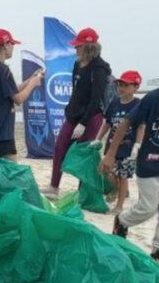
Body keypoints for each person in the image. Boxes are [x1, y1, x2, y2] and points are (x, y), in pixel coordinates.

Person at [43, 27, 111, 198]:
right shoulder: (77, 64)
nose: (75, 49)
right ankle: (54, 186)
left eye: (78, 46)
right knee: (60, 148)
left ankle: (83, 192)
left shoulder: (100, 68)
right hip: (72, 115)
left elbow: (96, 97)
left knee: (84, 156)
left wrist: (84, 122)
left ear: (89, 47)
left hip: (91, 117)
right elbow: (76, 90)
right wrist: (70, 112)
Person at [101, 88, 159, 260]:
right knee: (148, 207)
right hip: (149, 163)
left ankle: (156, 252)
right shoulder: (153, 98)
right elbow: (126, 122)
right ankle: (123, 221)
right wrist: (111, 154)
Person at [0, 28, 43, 162]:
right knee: (12, 171)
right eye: (12, 44)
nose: (13, 47)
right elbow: (18, 99)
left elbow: (9, 92)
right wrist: (33, 84)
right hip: (2, 131)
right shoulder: (3, 70)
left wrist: (28, 80)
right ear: (5, 46)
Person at [97, 70, 143, 215]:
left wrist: (138, 144)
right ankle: (116, 189)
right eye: (119, 84)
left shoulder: (139, 104)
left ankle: (119, 206)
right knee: (107, 171)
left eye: (126, 85)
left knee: (123, 176)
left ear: (136, 87)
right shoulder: (114, 103)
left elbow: (142, 125)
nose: (121, 88)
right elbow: (107, 123)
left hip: (128, 148)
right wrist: (97, 139)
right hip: (111, 145)